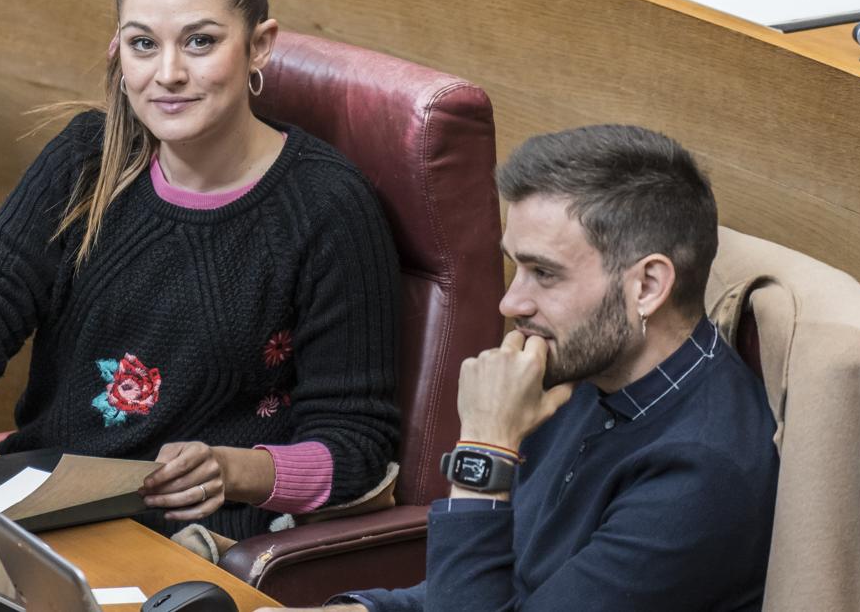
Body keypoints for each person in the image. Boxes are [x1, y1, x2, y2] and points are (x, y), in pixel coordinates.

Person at [0, 0, 400, 542]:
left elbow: (359, 446)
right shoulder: (87, 158)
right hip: (39, 507)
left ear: (259, 45)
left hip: (192, 542)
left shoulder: (329, 205)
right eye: (144, 43)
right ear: (119, 48)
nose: (167, 73)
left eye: (200, 42)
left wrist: (234, 471)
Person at [260, 125, 779, 612]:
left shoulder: (703, 473)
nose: (511, 303)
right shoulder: (581, 371)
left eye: (544, 273)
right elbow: (480, 588)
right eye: (516, 267)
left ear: (646, 286)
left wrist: (485, 448)